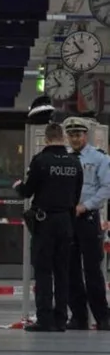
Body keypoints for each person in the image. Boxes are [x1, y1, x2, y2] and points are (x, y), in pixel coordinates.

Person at [14, 122, 83, 332]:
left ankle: (45, 319)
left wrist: (18, 187)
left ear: (46, 139)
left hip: (45, 222)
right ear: (62, 137)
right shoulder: (74, 162)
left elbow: (28, 191)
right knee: (62, 271)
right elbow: (77, 194)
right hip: (66, 221)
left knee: (44, 271)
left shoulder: (41, 161)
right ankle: (61, 319)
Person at [63, 116, 110, 331]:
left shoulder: (100, 159)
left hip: (88, 218)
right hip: (68, 220)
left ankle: (103, 317)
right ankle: (78, 317)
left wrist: (86, 205)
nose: (75, 138)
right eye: (71, 135)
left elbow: (106, 188)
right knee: (70, 269)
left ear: (85, 135)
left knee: (92, 270)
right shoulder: (63, 157)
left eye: (78, 134)